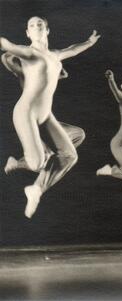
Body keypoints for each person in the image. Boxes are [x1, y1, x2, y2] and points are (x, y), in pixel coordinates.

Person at [0, 16, 99, 218]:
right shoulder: (29, 53)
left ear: (47, 30)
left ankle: (35, 189)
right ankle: (23, 162)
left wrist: (89, 42)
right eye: (31, 25)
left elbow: (72, 49)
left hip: (45, 116)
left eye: (40, 24)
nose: (36, 26)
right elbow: (6, 45)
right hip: (25, 113)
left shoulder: (55, 55)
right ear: (28, 33)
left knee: (71, 152)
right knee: (37, 163)